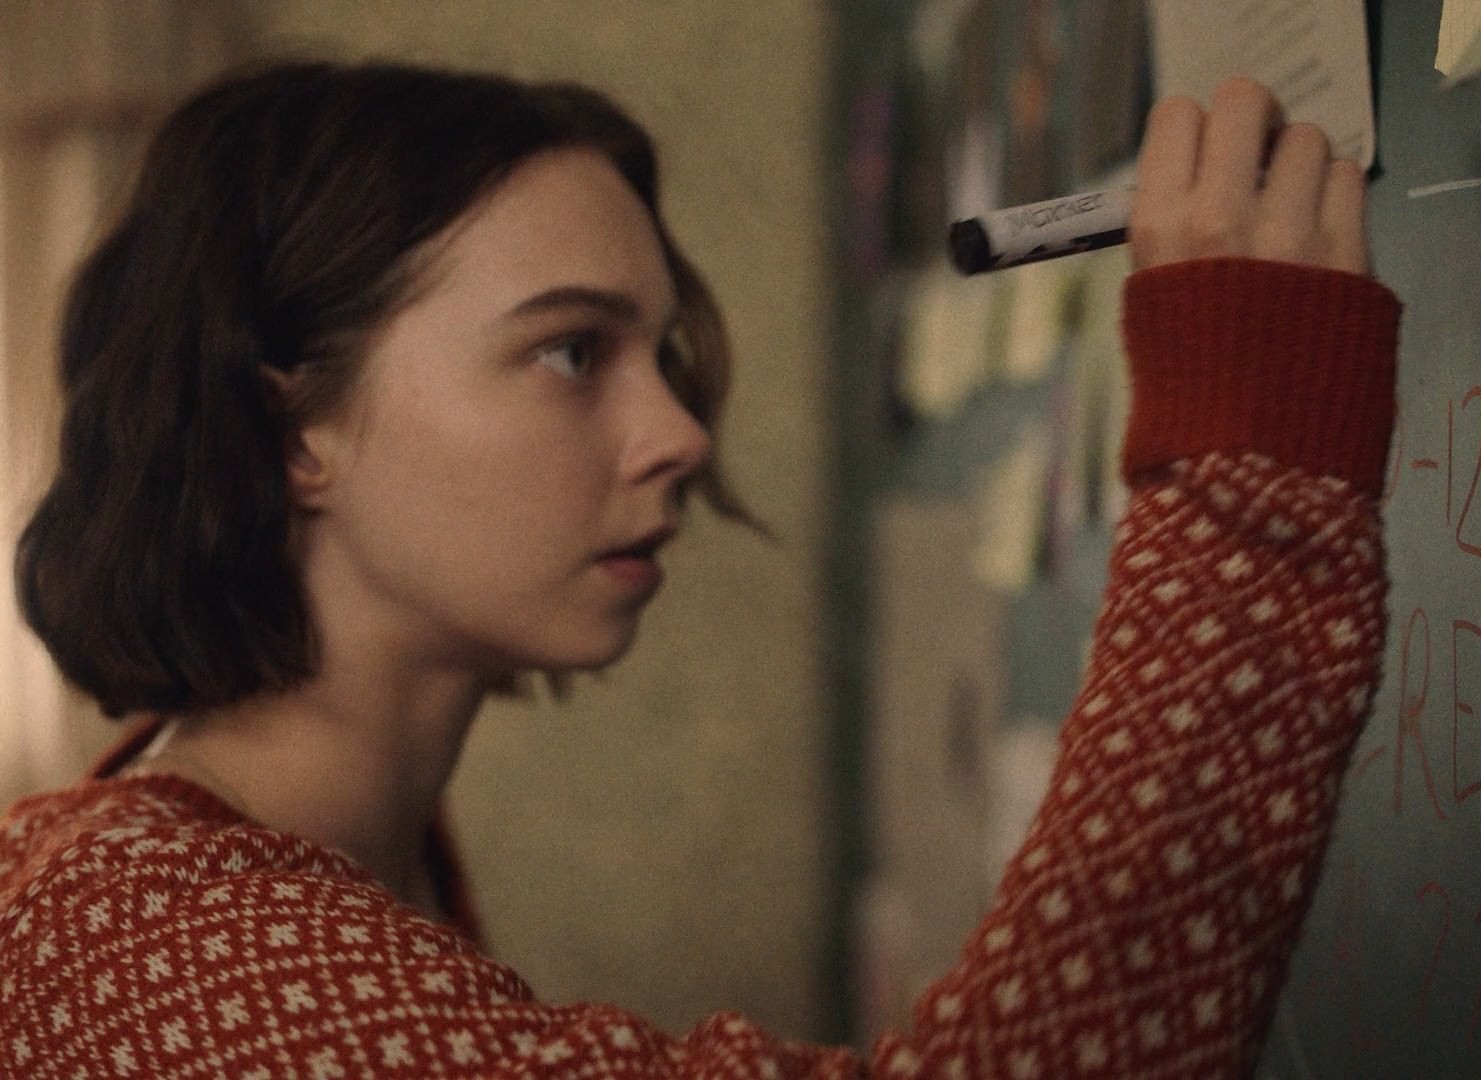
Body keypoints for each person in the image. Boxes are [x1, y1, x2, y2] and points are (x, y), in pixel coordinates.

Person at [0, 59, 1398, 1077]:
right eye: (570, 350)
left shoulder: (307, 852)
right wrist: (1253, 471)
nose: (679, 432)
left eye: (660, 353)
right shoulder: (159, 945)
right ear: (291, 428)